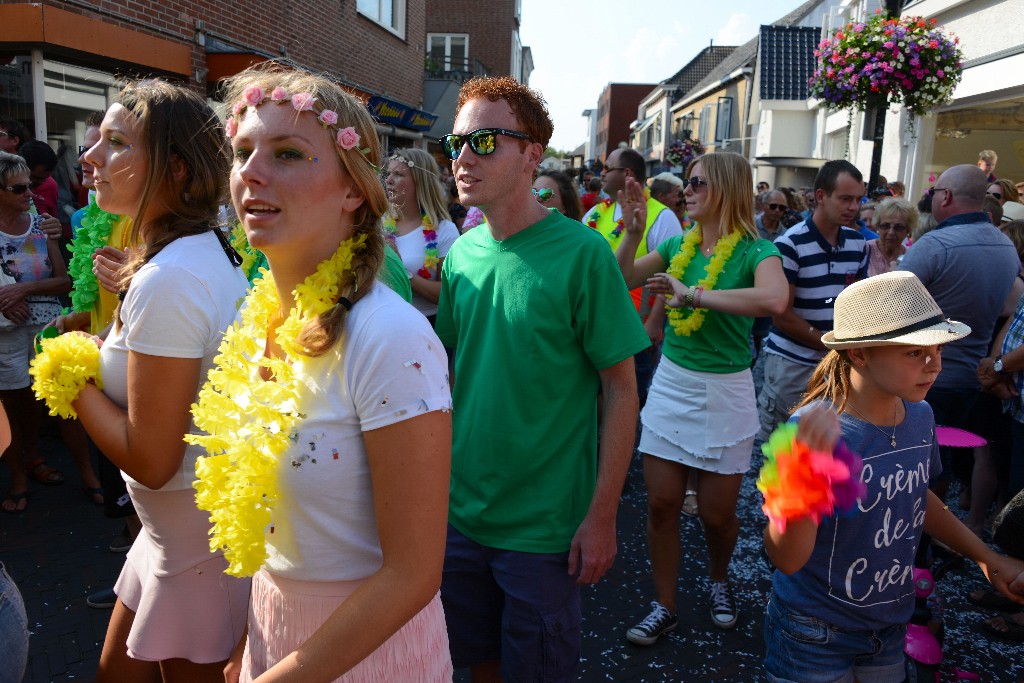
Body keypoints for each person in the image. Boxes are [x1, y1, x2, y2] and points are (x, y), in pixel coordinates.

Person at [206, 64, 453, 681]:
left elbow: (413, 574)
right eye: (242, 152)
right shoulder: (254, 319)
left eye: (287, 153)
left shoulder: (390, 337)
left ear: (353, 190)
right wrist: (246, 645)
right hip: (275, 629)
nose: (250, 173)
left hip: (367, 650)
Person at [436, 75, 649, 681]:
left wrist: (602, 513)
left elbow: (621, 388)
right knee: (469, 665)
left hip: (545, 530)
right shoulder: (461, 255)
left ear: (532, 155)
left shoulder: (583, 255)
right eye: (456, 144)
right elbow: (453, 377)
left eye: (482, 141)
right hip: (461, 517)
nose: (462, 159)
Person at [71, 79, 252, 680]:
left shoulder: (168, 277)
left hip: (192, 547)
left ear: (174, 169)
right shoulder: (188, 255)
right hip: (168, 535)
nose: (91, 156)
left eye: (116, 142)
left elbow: (150, 459)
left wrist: (71, 378)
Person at [762, 270, 1024, 683]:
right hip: (814, 631)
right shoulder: (812, 431)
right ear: (860, 353)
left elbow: (915, 498)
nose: (935, 364)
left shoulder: (920, 414)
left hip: (889, 625)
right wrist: (801, 485)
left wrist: (987, 558)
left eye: (938, 348)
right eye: (914, 352)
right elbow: (786, 558)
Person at [615, 151, 787, 642]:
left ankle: (719, 579)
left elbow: (774, 300)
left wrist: (693, 295)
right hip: (673, 384)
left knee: (716, 515)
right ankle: (664, 604)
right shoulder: (677, 245)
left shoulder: (757, 251)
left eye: (698, 183)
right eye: (687, 184)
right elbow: (619, 277)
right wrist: (631, 232)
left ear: (728, 190)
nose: (687, 191)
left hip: (727, 390)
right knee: (663, 504)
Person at [900, 164, 1021, 503]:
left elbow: (890, 305)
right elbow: (1008, 311)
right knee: (942, 457)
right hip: (973, 377)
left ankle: (917, 539)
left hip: (925, 376)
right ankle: (935, 539)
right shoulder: (1005, 246)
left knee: (919, 464)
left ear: (947, 196)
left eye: (935, 193)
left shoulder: (935, 244)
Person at [757, 160, 869, 442]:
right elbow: (781, 313)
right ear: (821, 196)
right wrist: (828, 343)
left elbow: (856, 303)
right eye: (845, 198)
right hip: (792, 364)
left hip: (835, 364)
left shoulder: (858, 244)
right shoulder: (789, 244)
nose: (854, 207)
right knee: (784, 452)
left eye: (858, 199)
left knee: (824, 450)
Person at [0, 151, 71, 513]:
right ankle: (16, 475)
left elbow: (63, 282)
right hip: (4, 336)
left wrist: (21, 290)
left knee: (35, 404)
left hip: (40, 329)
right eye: (19, 187)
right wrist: (3, 300)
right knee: (9, 405)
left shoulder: (43, 225)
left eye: (31, 184)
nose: (31, 191)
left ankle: (32, 457)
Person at [383, 147, 460, 320]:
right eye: (388, 173)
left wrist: (401, 270)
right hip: (382, 321)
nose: (388, 180)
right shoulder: (380, 224)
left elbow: (446, 295)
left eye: (398, 175)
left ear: (420, 181)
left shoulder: (444, 230)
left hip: (425, 325)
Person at [865, 196, 916, 276]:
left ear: (908, 230)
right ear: (878, 226)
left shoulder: (911, 258)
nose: (891, 232)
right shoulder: (865, 251)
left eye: (898, 227)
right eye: (885, 226)